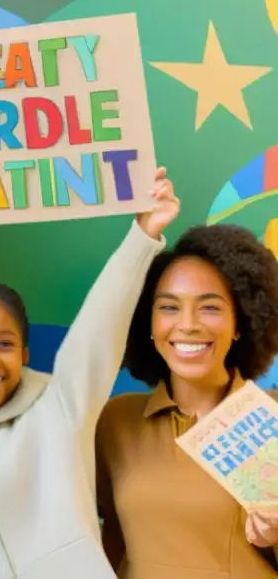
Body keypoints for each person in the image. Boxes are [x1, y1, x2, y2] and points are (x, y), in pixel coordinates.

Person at [0, 167, 176, 578]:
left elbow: (99, 327)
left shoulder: (61, 407)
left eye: (3, 343)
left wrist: (143, 236)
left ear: (23, 352)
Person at [97, 223, 278, 578]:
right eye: (169, 307)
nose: (188, 324)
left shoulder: (270, 421)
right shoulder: (116, 422)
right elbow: (108, 541)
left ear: (239, 323)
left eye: (209, 307)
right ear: (147, 323)